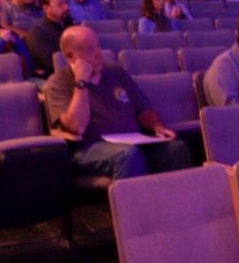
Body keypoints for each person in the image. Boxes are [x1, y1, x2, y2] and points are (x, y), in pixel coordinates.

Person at [44, 26, 191, 179]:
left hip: (133, 142)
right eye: (89, 49)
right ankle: (131, 203)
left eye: (98, 46)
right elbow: (76, 128)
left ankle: (174, 201)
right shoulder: (57, 84)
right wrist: (81, 82)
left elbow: (143, 109)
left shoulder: (115, 72)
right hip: (88, 149)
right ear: (71, 57)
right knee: (127, 154)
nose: (98, 54)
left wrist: (157, 126)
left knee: (176, 148)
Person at [25, 0, 72, 77]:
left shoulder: (71, 26)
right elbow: (52, 62)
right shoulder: (38, 33)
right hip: (52, 77)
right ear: (46, 8)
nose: (66, 7)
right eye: (60, 4)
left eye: (66, 3)